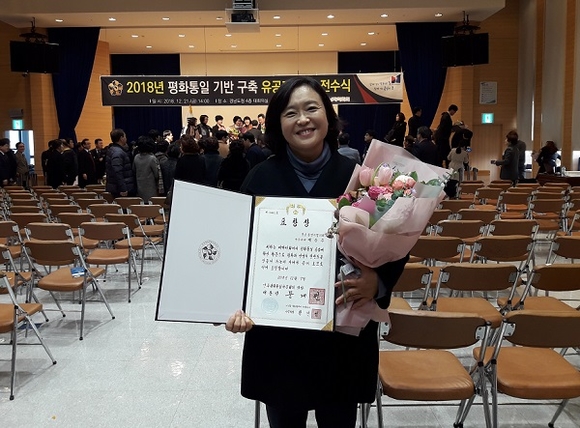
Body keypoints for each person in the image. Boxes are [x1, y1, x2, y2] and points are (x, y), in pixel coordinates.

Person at [225, 76, 407, 428]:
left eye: (311, 108)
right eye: (290, 113)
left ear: (328, 115)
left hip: (342, 337)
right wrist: (234, 304)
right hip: (279, 338)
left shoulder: (363, 180)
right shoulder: (259, 179)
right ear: (277, 124)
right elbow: (237, 253)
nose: (303, 119)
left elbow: (397, 245)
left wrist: (378, 283)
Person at [105, 128, 136, 198]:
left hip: (117, 186)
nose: (126, 138)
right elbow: (117, 172)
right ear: (121, 138)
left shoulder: (113, 150)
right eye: (125, 136)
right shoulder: (118, 153)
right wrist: (123, 188)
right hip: (120, 189)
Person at [132, 135, 160, 203]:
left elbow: (133, 170)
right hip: (151, 189)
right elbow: (157, 174)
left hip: (139, 189)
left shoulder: (136, 157)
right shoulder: (152, 158)